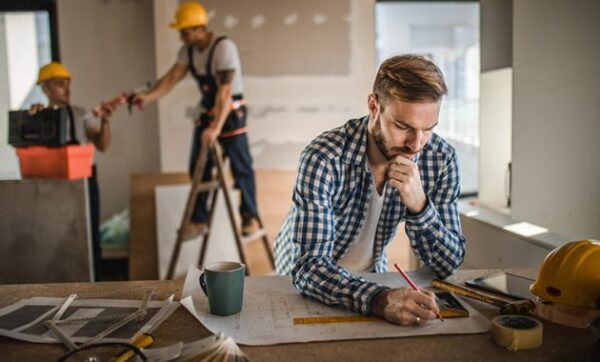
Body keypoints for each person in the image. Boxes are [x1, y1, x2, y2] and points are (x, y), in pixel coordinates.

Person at [274, 55, 466, 326]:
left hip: (370, 277)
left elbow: (448, 264)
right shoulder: (324, 157)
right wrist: (381, 299)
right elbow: (309, 268)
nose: (416, 144)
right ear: (373, 106)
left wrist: (420, 207)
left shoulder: (441, 159)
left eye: (428, 129)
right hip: (302, 278)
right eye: (402, 127)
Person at [133, 1, 259, 239]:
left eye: (185, 31)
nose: (181, 36)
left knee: (241, 167)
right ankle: (199, 220)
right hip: (209, 110)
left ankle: (249, 217)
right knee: (197, 166)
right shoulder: (188, 51)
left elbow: (224, 92)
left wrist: (214, 128)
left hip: (231, 112)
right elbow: (170, 79)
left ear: (199, 28)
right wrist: (147, 98)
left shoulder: (223, 48)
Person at [33, 61, 115, 281]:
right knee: (57, 237)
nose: (67, 89)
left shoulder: (81, 114)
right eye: (60, 84)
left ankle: (94, 282)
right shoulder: (39, 116)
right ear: (45, 88)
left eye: (68, 83)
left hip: (85, 182)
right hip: (54, 184)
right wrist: (34, 119)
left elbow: (102, 145)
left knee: (89, 236)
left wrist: (105, 121)